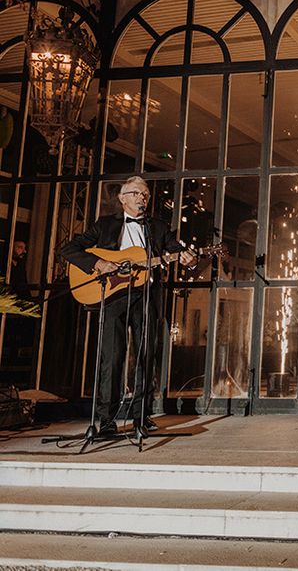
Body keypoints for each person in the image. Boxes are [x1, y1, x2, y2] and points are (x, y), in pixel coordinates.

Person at [60, 176, 196, 438]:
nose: (141, 198)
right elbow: (69, 249)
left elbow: (174, 248)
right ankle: (107, 420)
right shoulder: (105, 226)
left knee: (145, 356)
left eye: (145, 194)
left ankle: (140, 417)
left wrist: (187, 256)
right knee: (112, 357)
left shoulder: (158, 226)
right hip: (114, 297)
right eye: (135, 193)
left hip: (146, 296)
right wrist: (98, 264)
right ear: (122, 198)